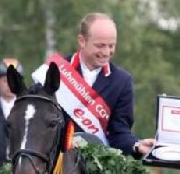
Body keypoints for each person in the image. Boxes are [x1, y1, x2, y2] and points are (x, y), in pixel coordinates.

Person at [56, 12, 154, 156]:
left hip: (99, 168)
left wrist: (136, 146)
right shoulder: (56, 72)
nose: (106, 52)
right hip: (55, 164)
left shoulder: (122, 81)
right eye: (100, 45)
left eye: (111, 46)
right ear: (82, 41)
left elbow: (119, 133)